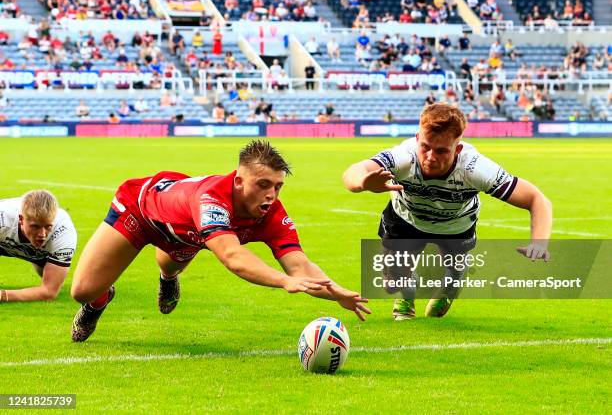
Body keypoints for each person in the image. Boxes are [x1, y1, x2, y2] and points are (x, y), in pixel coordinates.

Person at [70, 141, 370, 342]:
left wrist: (336, 292)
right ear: (239, 181)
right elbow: (232, 257)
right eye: (263, 184)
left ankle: (168, 276)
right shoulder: (211, 199)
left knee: (169, 261)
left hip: (186, 232)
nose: (271, 195)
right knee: (82, 290)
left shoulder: (272, 212)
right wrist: (283, 281)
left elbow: (299, 264)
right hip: (140, 210)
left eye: (278, 187)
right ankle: (100, 300)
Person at [342, 103, 552, 321]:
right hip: (406, 219)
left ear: (458, 149)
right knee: (391, 283)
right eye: (425, 147)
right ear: (417, 139)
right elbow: (353, 171)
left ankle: (452, 281)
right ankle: (408, 290)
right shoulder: (404, 157)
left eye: (442, 150)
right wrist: (363, 182)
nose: (431, 156)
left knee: (452, 276)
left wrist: (539, 242)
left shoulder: (475, 168)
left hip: (456, 225)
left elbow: (536, 199)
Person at [0, 190, 77, 303]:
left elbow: (49, 292)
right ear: (21, 219)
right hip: (2, 241)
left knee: (47, 275)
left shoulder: (64, 233)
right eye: (35, 226)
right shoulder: (3, 218)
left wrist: (3, 295)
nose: (42, 234)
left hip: (41, 254)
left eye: (48, 226)